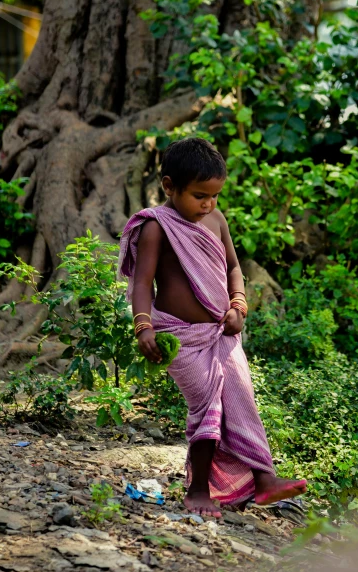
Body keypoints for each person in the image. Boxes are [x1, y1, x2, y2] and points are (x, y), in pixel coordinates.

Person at [118, 137, 307, 517]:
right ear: (169, 187)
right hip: (180, 336)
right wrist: (143, 327)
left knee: (240, 400)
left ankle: (265, 479)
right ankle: (198, 488)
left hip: (223, 334)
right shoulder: (156, 227)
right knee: (208, 406)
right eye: (199, 195)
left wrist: (239, 304)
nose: (208, 204)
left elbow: (234, 269)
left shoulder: (216, 220)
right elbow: (141, 284)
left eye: (215, 196)